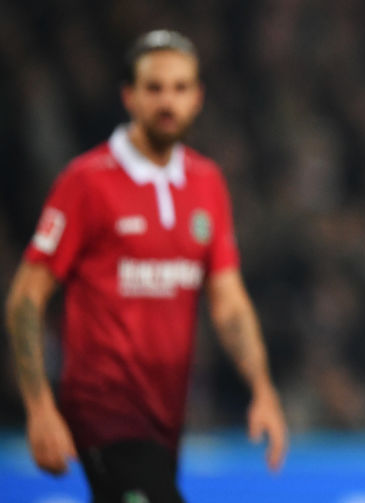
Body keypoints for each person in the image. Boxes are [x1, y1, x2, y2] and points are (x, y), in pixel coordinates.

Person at [5, 30, 288, 503]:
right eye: (154, 88)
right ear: (129, 96)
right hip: (102, 407)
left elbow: (229, 301)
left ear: (197, 98)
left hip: (167, 413)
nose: (167, 101)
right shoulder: (86, 182)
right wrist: (39, 407)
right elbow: (24, 300)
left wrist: (262, 387)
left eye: (180, 88)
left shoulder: (207, 183)